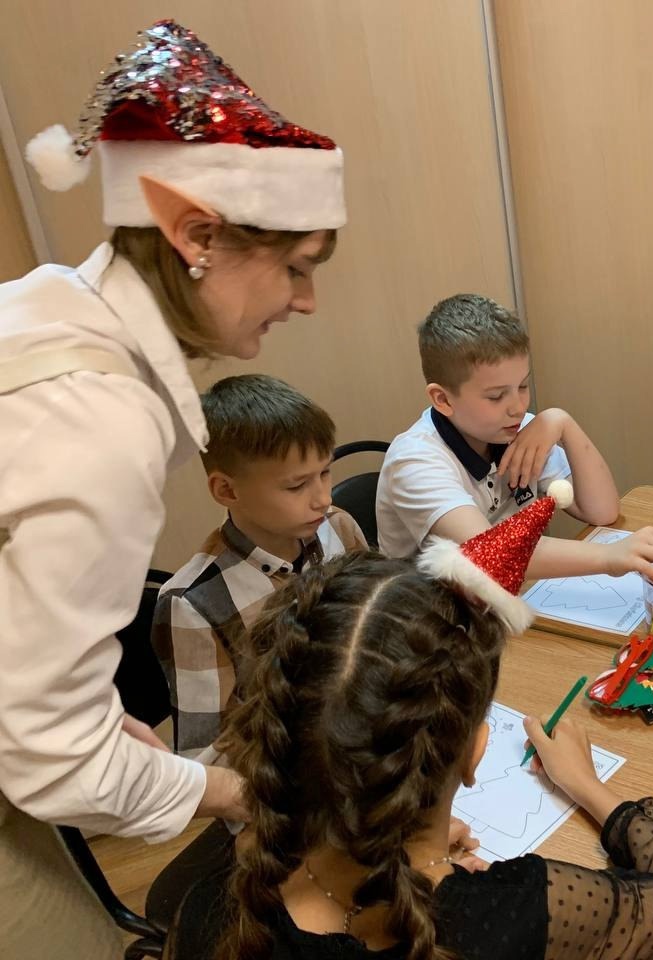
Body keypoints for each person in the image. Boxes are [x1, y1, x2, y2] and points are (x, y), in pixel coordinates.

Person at [0, 20, 345, 957]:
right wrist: (229, 791)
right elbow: (52, 758)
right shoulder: (99, 421)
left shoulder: (49, 304)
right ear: (196, 235)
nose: (306, 301)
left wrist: (98, 717)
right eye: (296, 268)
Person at [168, 486, 653, 959]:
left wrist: (401, 852)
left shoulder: (210, 912)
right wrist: (587, 786)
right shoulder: (503, 915)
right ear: (475, 752)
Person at [146, 375, 367, 924]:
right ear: (226, 490)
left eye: (325, 472)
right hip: (290, 805)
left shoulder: (338, 530)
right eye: (296, 486)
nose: (323, 497)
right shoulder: (195, 604)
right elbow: (207, 760)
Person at [376, 293, 653, 582]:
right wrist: (608, 556)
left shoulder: (516, 428)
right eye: (496, 396)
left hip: (506, 594)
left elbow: (601, 511)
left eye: (523, 386)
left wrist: (563, 423)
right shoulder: (414, 461)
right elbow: (494, 553)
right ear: (443, 400)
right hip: (433, 612)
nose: (518, 407)